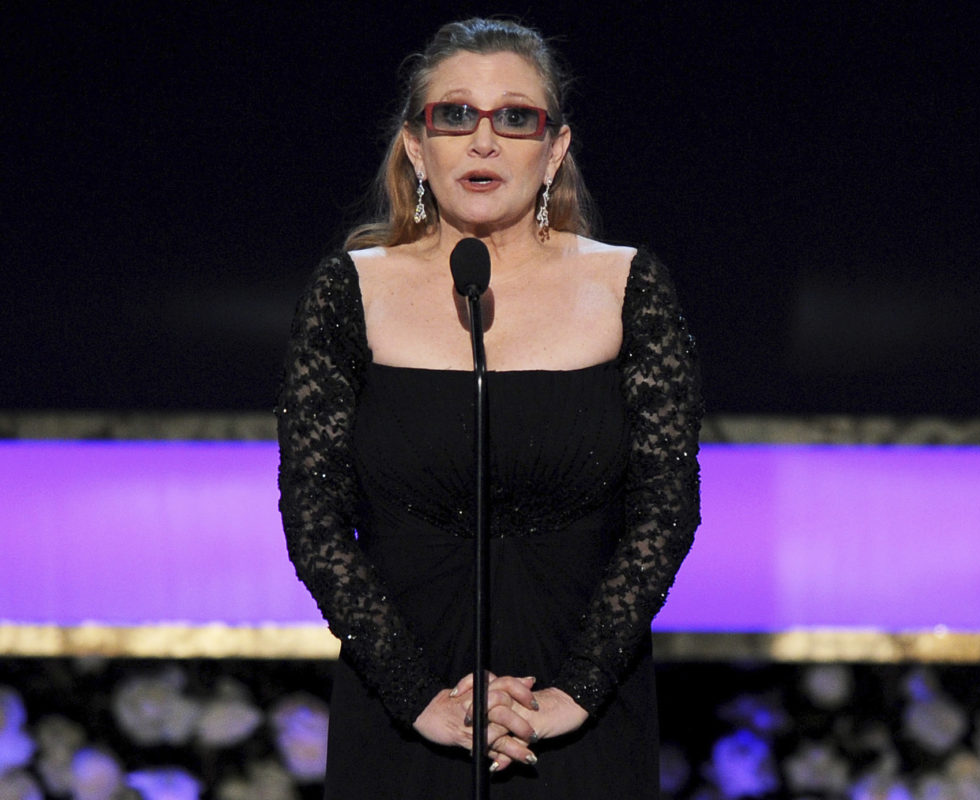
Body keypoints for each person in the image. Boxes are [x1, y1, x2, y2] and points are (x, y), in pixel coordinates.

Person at [276, 17, 702, 799]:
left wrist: (570, 695)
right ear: (416, 146)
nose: (483, 140)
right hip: (404, 716)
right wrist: (420, 700)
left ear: (555, 150)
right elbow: (315, 517)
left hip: (584, 718)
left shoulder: (628, 288)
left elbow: (665, 511)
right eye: (454, 115)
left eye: (514, 117)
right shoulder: (349, 291)